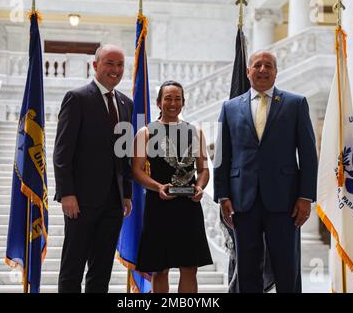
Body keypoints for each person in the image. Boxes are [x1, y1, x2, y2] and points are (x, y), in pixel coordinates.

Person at [213, 51, 318, 293]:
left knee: (286, 267)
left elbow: (308, 154)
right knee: (247, 269)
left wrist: (305, 196)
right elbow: (222, 156)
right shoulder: (229, 108)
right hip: (242, 201)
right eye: (257, 65)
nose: (262, 70)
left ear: (276, 72)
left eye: (268, 65)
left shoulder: (295, 103)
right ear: (248, 71)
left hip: (285, 201)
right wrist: (223, 196)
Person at [53, 44, 133, 293]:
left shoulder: (126, 104)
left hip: (113, 202)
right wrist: (67, 193)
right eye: (109, 63)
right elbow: (62, 152)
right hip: (80, 201)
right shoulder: (76, 98)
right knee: (72, 269)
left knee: (101, 272)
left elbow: (124, 154)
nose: (115, 69)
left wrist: (127, 193)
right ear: (95, 65)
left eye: (120, 65)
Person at [132, 80, 213, 293]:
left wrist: (200, 187)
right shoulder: (145, 132)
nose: (173, 103)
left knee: (189, 268)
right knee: (160, 268)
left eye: (177, 99)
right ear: (159, 102)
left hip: (188, 207)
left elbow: (204, 170)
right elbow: (137, 170)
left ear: (183, 103)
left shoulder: (196, 132)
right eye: (168, 98)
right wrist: (158, 186)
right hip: (159, 205)